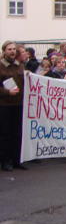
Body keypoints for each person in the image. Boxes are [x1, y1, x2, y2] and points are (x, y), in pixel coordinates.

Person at [0, 41, 26, 171]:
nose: (12, 51)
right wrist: (7, 92)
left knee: (17, 133)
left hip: (18, 104)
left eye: (14, 49)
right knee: (5, 134)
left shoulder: (19, 66)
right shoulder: (0, 66)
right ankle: (5, 161)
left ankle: (16, 160)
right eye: (9, 49)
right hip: (4, 105)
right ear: (4, 51)